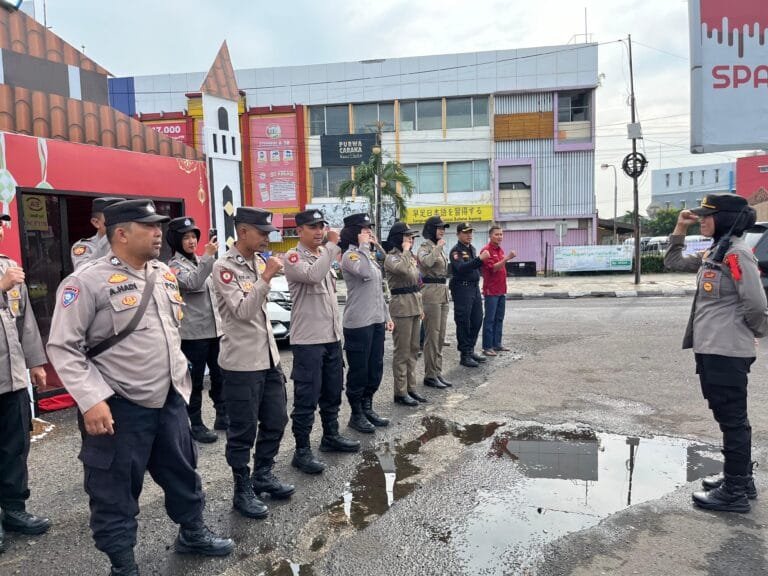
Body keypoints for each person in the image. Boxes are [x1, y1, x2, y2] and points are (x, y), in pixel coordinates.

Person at [47, 200, 233, 575]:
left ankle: (192, 532)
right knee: (114, 490)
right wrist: (91, 400)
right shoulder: (86, 281)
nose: (158, 233)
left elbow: (170, 332)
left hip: (168, 399)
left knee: (183, 472)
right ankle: (123, 563)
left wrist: (181, 383)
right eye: (148, 226)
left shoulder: (163, 273)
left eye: (158, 226)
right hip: (118, 405)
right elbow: (63, 347)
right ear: (121, 233)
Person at [665, 193, 768, 513]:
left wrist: (750, 335)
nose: (702, 220)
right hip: (712, 348)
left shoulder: (737, 254)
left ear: (725, 219)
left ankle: (735, 492)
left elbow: (756, 305)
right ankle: (740, 479)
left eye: (707, 216)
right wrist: (680, 228)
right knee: (728, 417)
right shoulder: (717, 251)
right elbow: (673, 262)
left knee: (732, 419)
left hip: (725, 350)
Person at [212, 207, 294, 519]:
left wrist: (265, 273)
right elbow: (243, 311)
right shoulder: (224, 267)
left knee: (276, 419)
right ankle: (242, 489)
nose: (266, 238)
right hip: (241, 363)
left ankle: (263, 474)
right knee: (242, 431)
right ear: (243, 231)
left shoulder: (258, 262)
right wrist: (267, 276)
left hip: (268, 358)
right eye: (262, 232)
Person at [283, 209, 360, 475]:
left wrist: (327, 250)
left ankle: (330, 436)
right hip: (308, 341)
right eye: (313, 227)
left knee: (332, 391)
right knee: (306, 397)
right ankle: (302, 450)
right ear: (299, 231)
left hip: (331, 337)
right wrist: (331, 246)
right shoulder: (293, 257)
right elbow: (313, 276)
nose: (319, 231)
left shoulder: (322, 255)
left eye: (321, 226)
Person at [0, 213, 50, 554]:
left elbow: (25, 320)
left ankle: (14, 508)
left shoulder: (9, 266)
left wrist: (35, 362)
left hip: (13, 378)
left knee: (15, 447)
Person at [167, 217, 226, 444]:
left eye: (193, 236)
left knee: (220, 376)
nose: (192, 241)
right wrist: (209, 257)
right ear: (176, 241)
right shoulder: (173, 266)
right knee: (195, 381)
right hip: (193, 335)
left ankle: (222, 415)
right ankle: (196, 423)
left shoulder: (202, 261)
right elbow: (193, 283)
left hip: (214, 331)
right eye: (186, 238)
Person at [339, 212, 393, 434]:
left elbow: (378, 290)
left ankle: (367, 407)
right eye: (364, 229)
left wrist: (387, 316)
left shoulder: (368, 255)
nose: (369, 232)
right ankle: (356, 414)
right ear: (354, 232)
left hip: (376, 320)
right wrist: (363, 246)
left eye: (369, 228)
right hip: (358, 323)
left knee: (375, 368)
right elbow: (364, 274)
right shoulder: (350, 256)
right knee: (359, 371)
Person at [384, 221, 426, 407]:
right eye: (407, 236)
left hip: (414, 304)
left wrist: (421, 308)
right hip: (401, 307)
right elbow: (402, 271)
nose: (411, 239)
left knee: (414, 349)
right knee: (402, 352)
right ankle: (400, 392)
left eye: (412, 236)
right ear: (398, 238)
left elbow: (416, 281)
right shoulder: (391, 257)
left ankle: (411, 388)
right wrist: (407, 251)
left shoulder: (408, 256)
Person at [417, 215, 452, 389]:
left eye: (443, 228)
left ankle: (437, 371)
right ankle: (430, 375)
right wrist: (438, 248)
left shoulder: (439, 247)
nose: (442, 231)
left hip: (442, 291)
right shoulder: (424, 247)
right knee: (432, 335)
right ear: (431, 229)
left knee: (441, 336)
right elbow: (427, 263)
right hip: (430, 293)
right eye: (439, 228)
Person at [449, 223, 490, 368]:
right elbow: (461, 268)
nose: (469, 235)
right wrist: (479, 259)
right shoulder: (456, 251)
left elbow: (475, 267)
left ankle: (471, 349)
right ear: (458, 234)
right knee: (463, 321)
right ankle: (464, 354)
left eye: (470, 232)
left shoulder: (471, 249)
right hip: (462, 289)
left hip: (474, 288)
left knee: (477, 319)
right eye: (466, 232)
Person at [479, 225, 516, 356]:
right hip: (491, 291)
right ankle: (487, 347)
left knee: (499, 318)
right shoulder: (486, 250)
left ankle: (497, 344)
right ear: (490, 235)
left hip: (501, 289)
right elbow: (493, 268)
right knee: (489, 319)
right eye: (497, 234)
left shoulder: (500, 250)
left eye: (501, 234)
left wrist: (504, 258)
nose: (499, 237)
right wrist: (506, 258)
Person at [70, 197, 126, 270]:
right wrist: (110, 236)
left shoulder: (132, 243)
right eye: (113, 218)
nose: (120, 222)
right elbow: (82, 270)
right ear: (96, 222)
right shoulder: (85, 246)